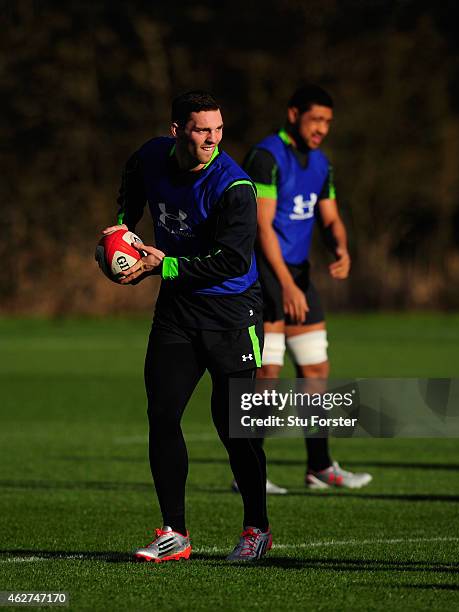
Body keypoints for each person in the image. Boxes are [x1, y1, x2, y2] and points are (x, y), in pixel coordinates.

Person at [101, 90, 271, 562]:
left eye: (218, 129)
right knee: (162, 413)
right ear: (177, 130)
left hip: (232, 313)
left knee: (234, 427)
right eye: (202, 130)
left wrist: (164, 266)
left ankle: (256, 528)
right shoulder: (154, 155)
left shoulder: (234, 186)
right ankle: (174, 532)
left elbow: (234, 261)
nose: (213, 139)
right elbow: (134, 181)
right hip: (178, 313)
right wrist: (122, 230)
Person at [240, 85, 372, 494]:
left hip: (298, 275)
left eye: (328, 123)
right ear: (293, 114)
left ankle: (319, 466)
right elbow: (262, 228)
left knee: (316, 369)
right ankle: (248, 471)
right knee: (267, 374)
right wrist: (284, 285)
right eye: (316, 120)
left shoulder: (320, 163)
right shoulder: (265, 157)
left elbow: (330, 216)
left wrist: (341, 246)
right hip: (263, 275)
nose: (322, 129)